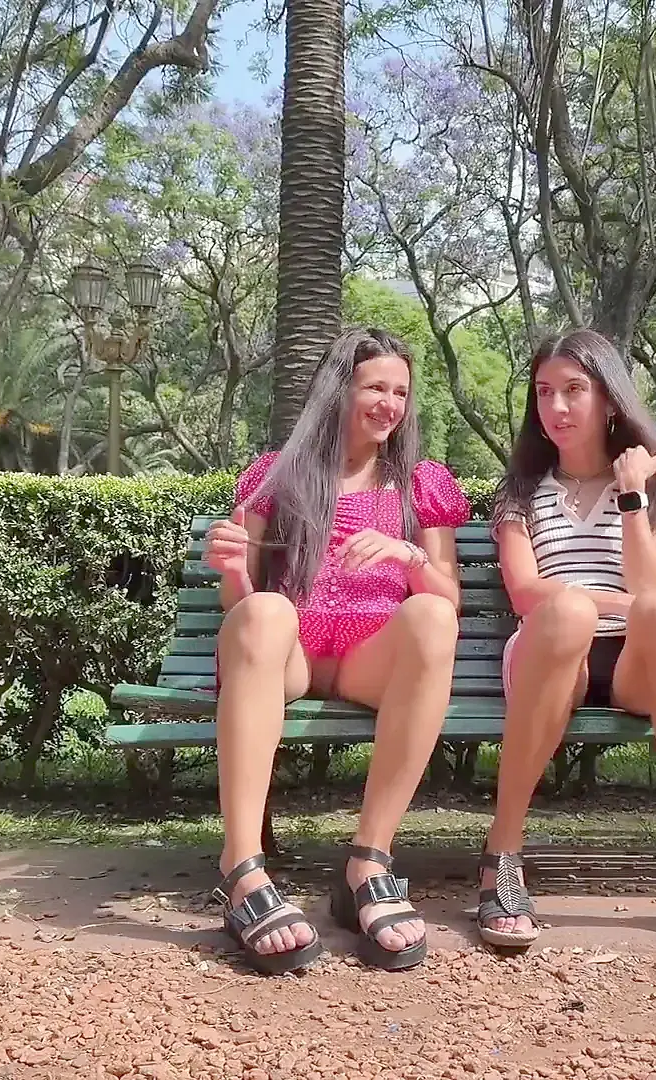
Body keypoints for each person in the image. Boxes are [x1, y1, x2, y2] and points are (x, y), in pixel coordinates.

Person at [473, 328, 656, 961]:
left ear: (609, 398)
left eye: (574, 390)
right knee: (566, 612)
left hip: (634, 664)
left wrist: (633, 493)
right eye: (543, 392)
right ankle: (502, 852)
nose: (556, 407)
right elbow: (527, 593)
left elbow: (650, 589)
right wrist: (600, 603)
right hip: (551, 655)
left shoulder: (651, 486)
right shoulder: (520, 491)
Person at [201, 327, 470, 975]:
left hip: (368, 657)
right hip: (290, 652)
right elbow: (241, 605)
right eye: (375, 387)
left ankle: (368, 863)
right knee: (265, 611)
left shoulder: (420, 482)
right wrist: (233, 568)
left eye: (400, 391)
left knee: (433, 615)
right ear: (337, 390)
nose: (390, 404)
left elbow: (450, 598)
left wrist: (409, 555)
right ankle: (242, 870)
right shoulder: (277, 475)